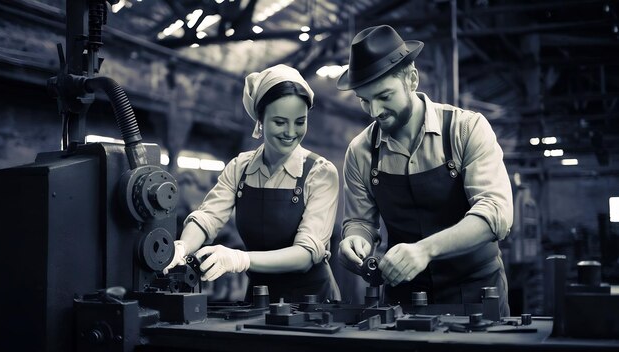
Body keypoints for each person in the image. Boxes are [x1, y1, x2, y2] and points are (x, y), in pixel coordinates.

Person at [336, 25, 513, 316]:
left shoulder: (466, 129)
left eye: (384, 96)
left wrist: (424, 250)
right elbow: (359, 221)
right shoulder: (360, 151)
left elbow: (497, 214)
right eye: (364, 100)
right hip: (403, 300)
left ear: (412, 79)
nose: (374, 111)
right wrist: (356, 240)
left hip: (477, 294)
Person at [165, 64, 341, 304]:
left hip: (313, 303)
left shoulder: (320, 173)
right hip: (259, 299)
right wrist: (182, 248)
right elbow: (208, 218)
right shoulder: (241, 168)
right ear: (260, 119)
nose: (291, 132)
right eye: (280, 122)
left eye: (300, 121)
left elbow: (306, 255)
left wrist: (240, 259)